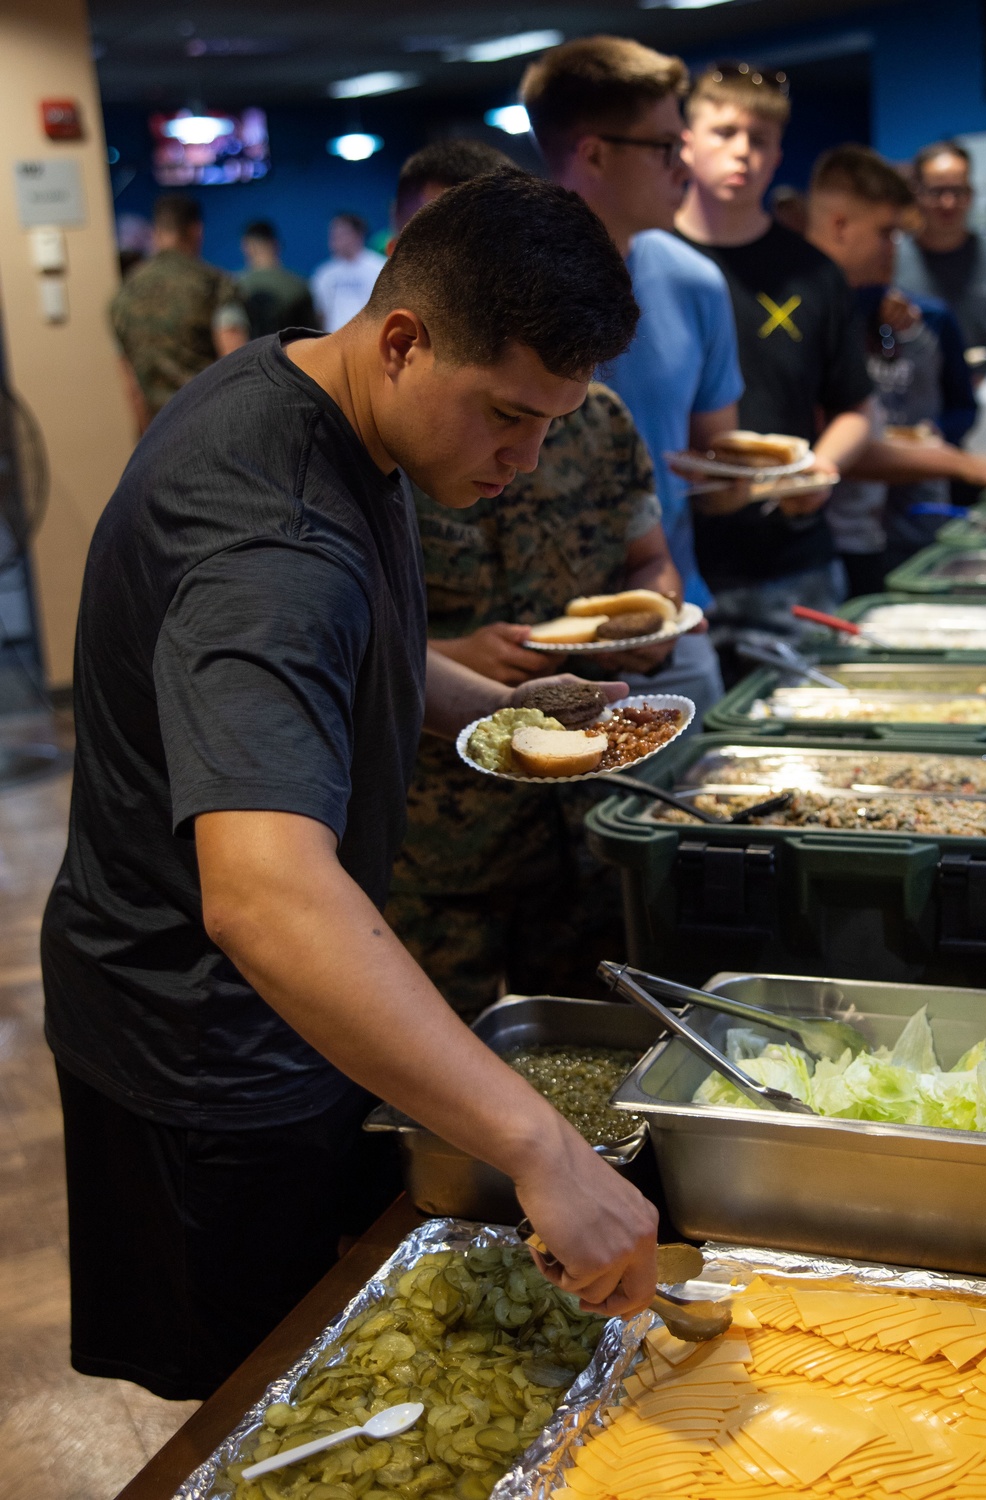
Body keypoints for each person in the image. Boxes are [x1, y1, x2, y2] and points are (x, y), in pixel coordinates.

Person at [42, 170, 658, 1402]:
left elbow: (342, 646)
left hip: (255, 1014)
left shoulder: (306, 387)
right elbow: (265, 899)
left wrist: (497, 708)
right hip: (203, 1043)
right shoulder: (269, 546)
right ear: (402, 339)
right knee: (256, 1406)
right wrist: (544, 1149)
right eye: (504, 416)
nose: (525, 461)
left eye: (551, 423)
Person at [382, 141, 681, 1016]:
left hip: (583, 819)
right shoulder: (375, 438)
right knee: (433, 1088)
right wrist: (454, 654)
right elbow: (330, 646)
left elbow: (649, 557)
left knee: (589, 1055)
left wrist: (652, 617)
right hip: (438, 839)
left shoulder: (591, 416)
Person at [520, 35, 746, 712]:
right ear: (593, 152)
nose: (687, 165)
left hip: (667, 627)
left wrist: (766, 483)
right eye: (665, 147)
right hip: (519, 644)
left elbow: (717, 477)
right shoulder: (497, 288)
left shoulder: (695, 281)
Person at [673, 63, 872, 676]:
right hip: (676, 566)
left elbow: (858, 407)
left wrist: (823, 468)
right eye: (725, 132)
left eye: (759, 140)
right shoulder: (645, 260)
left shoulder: (813, 272)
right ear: (686, 141)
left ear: (779, 151)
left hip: (792, 564)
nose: (743, 153)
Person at [806, 145, 986, 591]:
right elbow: (837, 436)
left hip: (881, 520)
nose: (895, 249)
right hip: (824, 534)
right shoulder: (818, 305)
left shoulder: (910, 309)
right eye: (887, 234)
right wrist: (961, 464)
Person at [110, 194, 249, 434]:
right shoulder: (216, 285)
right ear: (196, 230)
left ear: (157, 233)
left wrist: (146, 446)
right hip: (212, 431)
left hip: (158, 438)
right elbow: (236, 364)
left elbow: (132, 390)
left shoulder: (123, 297)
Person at [895, 140, 986, 354]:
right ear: (918, 194)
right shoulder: (890, 260)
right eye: (937, 191)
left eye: (957, 191)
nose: (948, 203)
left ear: (970, 194)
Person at [238, 219, 320, 339]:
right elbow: (312, 334)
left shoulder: (235, 285)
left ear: (246, 246)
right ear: (276, 244)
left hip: (248, 356)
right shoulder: (299, 285)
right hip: (289, 355)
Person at [311, 212, 386, 332]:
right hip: (334, 339)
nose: (334, 238)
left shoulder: (379, 267)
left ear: (358, 235)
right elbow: (320, 313)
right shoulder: (325, 273)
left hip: (369, 338)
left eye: (341, 233)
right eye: (333, 233)